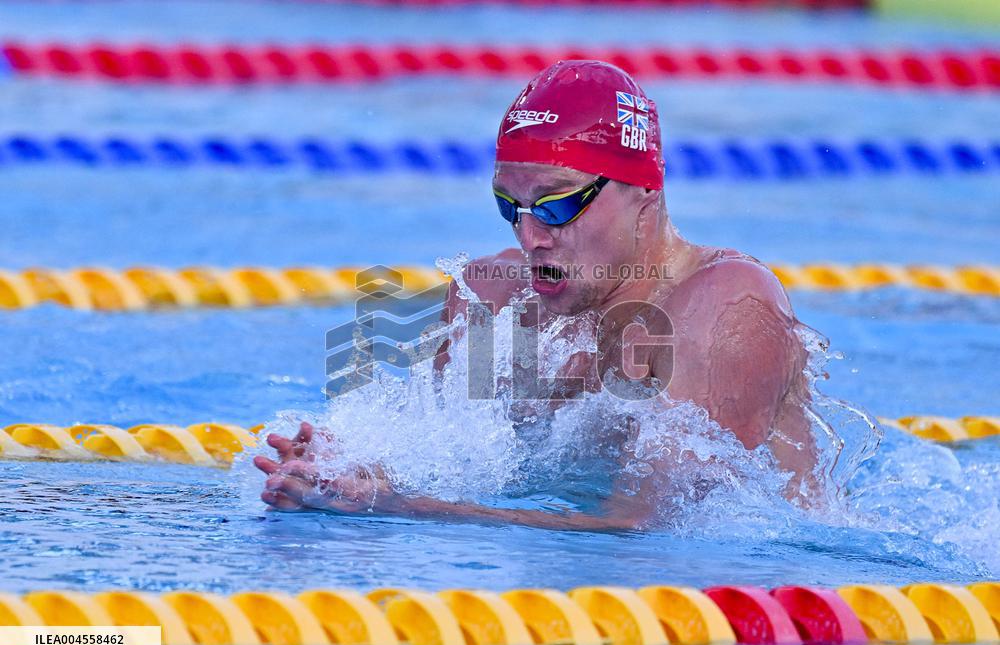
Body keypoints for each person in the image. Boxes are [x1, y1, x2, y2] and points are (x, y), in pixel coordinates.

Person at [254, 60, 815, 530]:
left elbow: (641, 528)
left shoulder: (728, 308)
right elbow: (451, 462)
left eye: (556, 205)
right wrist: (353, 474)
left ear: (644, 189)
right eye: (511, 207)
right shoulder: (492, 300)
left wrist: (400, 507)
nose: (529, 237)